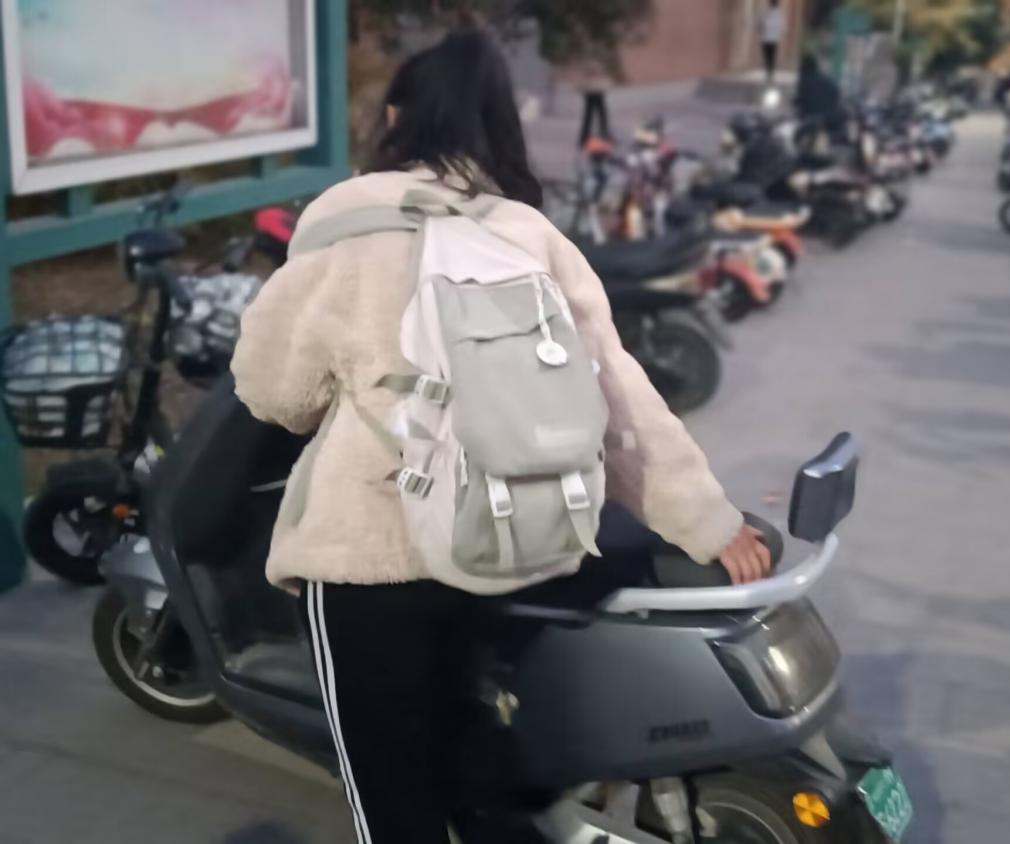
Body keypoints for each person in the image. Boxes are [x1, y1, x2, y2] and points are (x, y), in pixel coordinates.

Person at [230, 29, 772, 844]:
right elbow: (621, 401)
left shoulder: (342, 235)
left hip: (366, 557)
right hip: (505, 537)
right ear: (498, 126)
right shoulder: (531, 237)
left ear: (395, 117)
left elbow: (274, 394)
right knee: (461, 738)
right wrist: (708, 522)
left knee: (390, 786)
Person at [759, 0, 785, 82]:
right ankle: (770, 73)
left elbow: (761, 25)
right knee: (772, 57)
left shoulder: (766, 13)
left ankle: (769, 73)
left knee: (767, 56)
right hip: (774, 39)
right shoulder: (780, 15)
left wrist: (762, 30)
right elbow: (782, 28)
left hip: (766, 38)